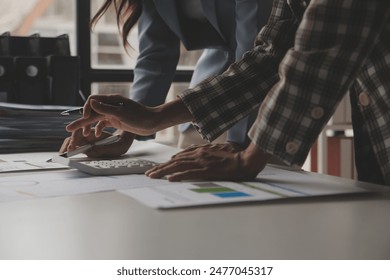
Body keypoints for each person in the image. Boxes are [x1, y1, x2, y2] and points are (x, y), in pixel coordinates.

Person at [65, 0, 390, 186]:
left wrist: (246, 151)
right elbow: (269, 54)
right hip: (373, 105)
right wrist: (146, 120)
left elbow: (320, 48)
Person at [60, 0, 273, 157]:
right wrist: (126, 130)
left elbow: (256, 55)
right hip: (201, 105)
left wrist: (240, 142)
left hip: (268, 102)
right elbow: (156, 55)